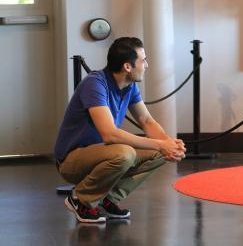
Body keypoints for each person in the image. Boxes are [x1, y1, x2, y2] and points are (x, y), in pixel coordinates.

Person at [54, 37, 186, 223]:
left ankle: (106, 199)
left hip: (102, 152)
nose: (146, 65)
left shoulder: (129, 86)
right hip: (71, 161)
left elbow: (146, 121)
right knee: (124, 154)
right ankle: (80, 199)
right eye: (143, 60)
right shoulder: (95, 84)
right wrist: (160, 143)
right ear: (127, 67)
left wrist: (168, 144)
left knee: (158, 153)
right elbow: (110, 134)